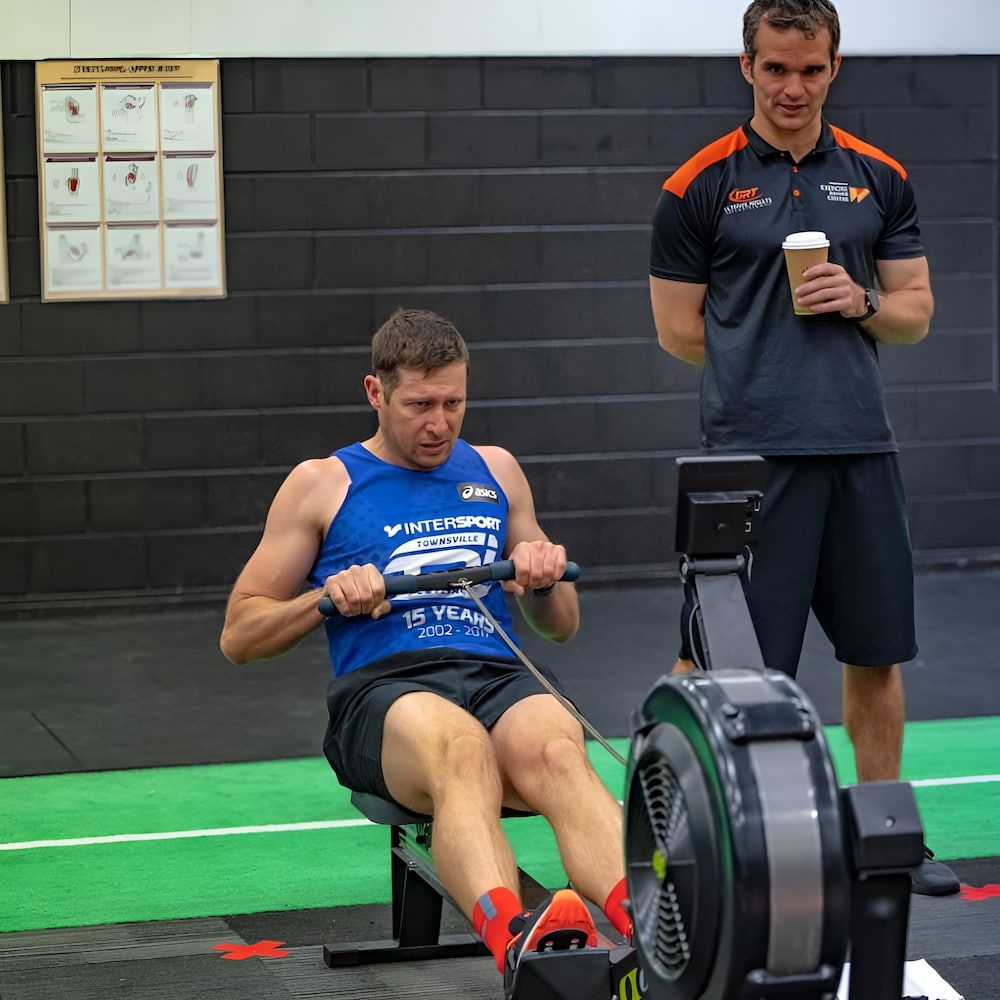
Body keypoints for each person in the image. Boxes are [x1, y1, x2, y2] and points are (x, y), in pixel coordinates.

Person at [219, 308, 631, 990]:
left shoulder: (496, 468)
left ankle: (655, 935)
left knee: (558, 746)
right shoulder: (324, 483)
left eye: (453, 403)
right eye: (419, 405)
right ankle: (521, 948)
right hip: (385, 690)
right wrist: (325, 596)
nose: (438, 423)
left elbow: (560, 626)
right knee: (460, 748)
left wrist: (539, 575)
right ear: (376, 394)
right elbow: (239, 635)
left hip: (495, 674)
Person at [648, 0, 959, 895]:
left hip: (861, 449)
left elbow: (915, 314)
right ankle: (689, 840)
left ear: (835, 66)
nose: (794, 87)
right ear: (745, 64)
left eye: (811, 69)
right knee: (719, 659)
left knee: (876, 651)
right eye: (776, 68)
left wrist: (859, 303)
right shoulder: (696, 186)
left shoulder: (879, 176)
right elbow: (678, 330)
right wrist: (761, 355)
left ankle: (886, 839)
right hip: (752, 457)